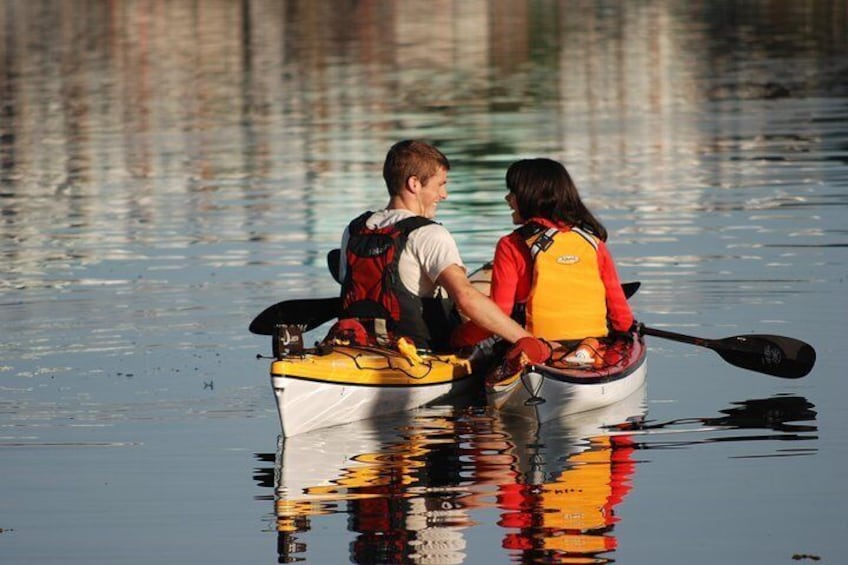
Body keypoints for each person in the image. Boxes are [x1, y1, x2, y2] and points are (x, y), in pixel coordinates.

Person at [335, 140, 549, 367]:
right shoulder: (428, 233)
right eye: (440, 185)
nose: (444, 194)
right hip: (422, 355)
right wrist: (529, 341)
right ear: (414, 184)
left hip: (358, 347)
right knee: (498, 338)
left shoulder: (355, 228)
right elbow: (466, 297)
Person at [451, 157, 633, 349]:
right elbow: (621, 316)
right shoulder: (593, 242)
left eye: (513, 192)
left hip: (538, 349)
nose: (508, 199)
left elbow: (497, 317)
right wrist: (626, 335)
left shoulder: (510, 245)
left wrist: (457, 338)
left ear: (532, 196)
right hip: (595, 347)